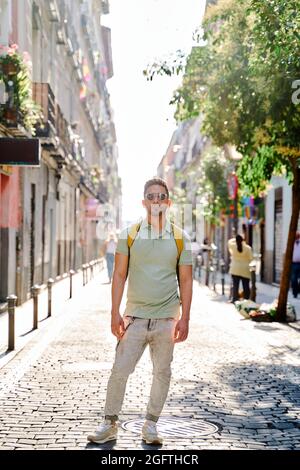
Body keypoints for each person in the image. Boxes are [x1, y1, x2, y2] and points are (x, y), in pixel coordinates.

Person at [87, 177, 193, 445]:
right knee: (119, 370)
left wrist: (185, 319)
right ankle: (109, 424)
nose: (156, 201)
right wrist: (114, 312)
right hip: (134, 317)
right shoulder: (130, 234)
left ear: (168, 202)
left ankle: (151, 425)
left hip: (167, 318)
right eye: (151, 196)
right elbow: (119, 275)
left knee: (162, 373)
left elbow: (187, 280)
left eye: (160, 196)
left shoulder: (180, 237)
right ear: (144, 202)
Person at [228, 234, 253, 303]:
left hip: (235, 268)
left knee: (235, 285)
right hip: (245, 269)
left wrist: (235, 239)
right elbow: (251, 258)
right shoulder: (247, 248)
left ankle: (235, 299)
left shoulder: (233, 246)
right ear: (243, 240)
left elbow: (229, 242)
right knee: (246, 286)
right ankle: (246, 300)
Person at [291, 231, 300, 298]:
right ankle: (295, 292)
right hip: (293, 264)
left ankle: (298, 290)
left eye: (297, 235)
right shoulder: (291, 243)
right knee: (294, 279)